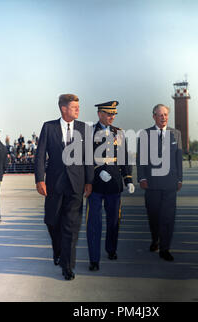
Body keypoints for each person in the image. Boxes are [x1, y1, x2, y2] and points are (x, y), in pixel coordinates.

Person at [34, 94, 94, 281]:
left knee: (71, 226)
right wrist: (39, 179)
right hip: (54, 184)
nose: (78, 109)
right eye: (74, 106)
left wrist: (89, 181)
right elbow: (40, 155)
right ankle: (58, 251)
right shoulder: (49, 127)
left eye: (78, 106)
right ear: (63, 109)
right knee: (51, 221)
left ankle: (67, 266)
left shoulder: (84, 129)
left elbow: (89, 157)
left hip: (76, 184)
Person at [86, 101, 134, 271]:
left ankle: (111, 249)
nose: (112, 117)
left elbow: (124, 159)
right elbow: (84, 158)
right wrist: (97, 172)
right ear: (100, 114)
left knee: (114, 221)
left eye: (114, 114)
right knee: (94, 223)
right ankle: (94, 259)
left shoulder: (119, 133)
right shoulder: (89, 132)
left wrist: (128, 179)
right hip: (96, 186)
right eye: (108, 114)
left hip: (114, 184)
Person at [137, 104, 183, 261]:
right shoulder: (145, 134)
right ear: (154, 116)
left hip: (170, 184)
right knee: (154, 215)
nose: (163, 117)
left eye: (165, 114)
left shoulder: (176, 134)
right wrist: (142, 178)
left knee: (168, 217)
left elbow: (178, 159)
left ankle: (165, 248)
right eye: (160, 115)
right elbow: (141, 158)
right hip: (152, 184)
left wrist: (180, 179)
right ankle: (155, 239)